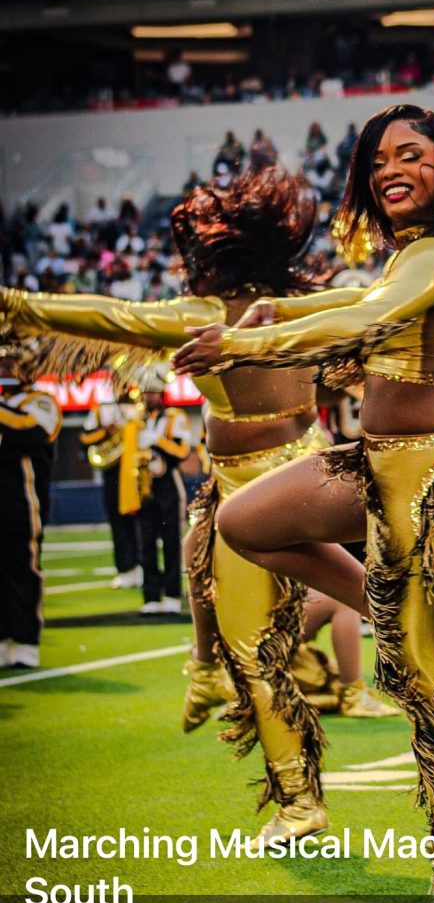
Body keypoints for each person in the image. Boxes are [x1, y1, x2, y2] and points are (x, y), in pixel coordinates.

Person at [174, 103, 434, 898]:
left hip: (428, 477)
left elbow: (366, 314)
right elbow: (358, 296)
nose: (389, 169)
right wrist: (284, 309)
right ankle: (390, 614)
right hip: (372, 462)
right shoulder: (413, 257)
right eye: (377, 161)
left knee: (425, 691)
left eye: (410, 154)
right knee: (241, 520)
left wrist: (248, 339)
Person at [0, 168, 336, 846]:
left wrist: (15, 302)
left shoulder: (205, 314)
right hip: (310, 468)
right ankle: (219, 671)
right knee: (203, 558)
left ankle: (297, 795)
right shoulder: (305, 305)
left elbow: (108, 317)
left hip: (252, 488)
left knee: (252, 645)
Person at [0, 339, 61, 668]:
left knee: (22, 564)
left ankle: (25, 640)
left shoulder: (42, 401)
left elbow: (29, 431)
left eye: (11, 364)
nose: (5, 369)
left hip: (23, 499)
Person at [136, 373, 192, 615]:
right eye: (145, 393)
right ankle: (151, 596)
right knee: (145, 542)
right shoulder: (136, 419)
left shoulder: (174, 417)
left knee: (171, 541)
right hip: (143, 484)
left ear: (161, 394)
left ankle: (171, 594)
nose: (148, 397)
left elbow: (182, 451)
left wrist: (157, 441)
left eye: (153, 392)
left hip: (167, 482)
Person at [80, 392, 144, 591]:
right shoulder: (101, 409)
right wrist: (106, 431)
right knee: (117, 521)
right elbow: (85, 437)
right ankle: (125, 569)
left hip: (137, 470)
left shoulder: (139, 407)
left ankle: (142, 567)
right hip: (113, 472)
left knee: (141, 521)